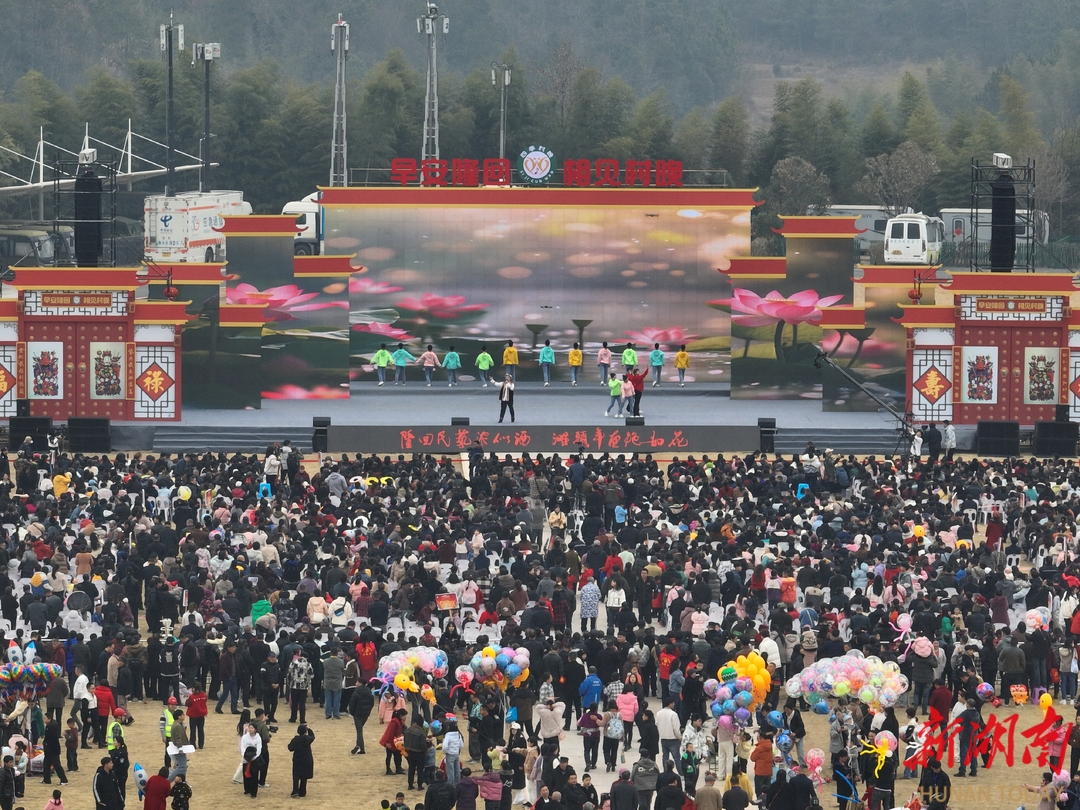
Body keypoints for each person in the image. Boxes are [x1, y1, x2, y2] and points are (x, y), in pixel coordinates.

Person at [287, 723, 315, 798]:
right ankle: (302, 791)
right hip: (307, 759)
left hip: (297, 759)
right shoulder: (307, 739)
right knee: (304, 775)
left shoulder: (295, 739)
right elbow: (313, 736)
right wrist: (309, 729)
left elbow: (290, 748)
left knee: (296, 775)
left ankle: (295, 790)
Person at [347, 681, 374, 755]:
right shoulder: (369, 692)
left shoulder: (356, 692)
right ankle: (360, 747)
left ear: (360, 683)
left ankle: (359, 746)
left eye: (357, 682)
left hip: (357, 714)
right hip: (365, 714)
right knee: (360, 729)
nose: (355, 683)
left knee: (359, 731)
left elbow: (352, 703)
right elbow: (372, 703)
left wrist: (352, 712)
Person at [41, 718, 68, 786]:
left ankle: (64, 780)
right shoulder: (53, 725)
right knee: (46, 764)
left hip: (52, 750)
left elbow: (51, 739)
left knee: (57, 765)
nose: (44, 720)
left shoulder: (51, 727)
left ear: (49, 719)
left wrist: (46, 743)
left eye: (45, 718)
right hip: (50, 750)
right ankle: (46, 779)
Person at [380, 709, 406, 775]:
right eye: (404, 716)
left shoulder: (398, 721)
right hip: (390, 741)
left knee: (397, 755)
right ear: (400, 716)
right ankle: (388, 769)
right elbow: (389, 733)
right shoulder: (394, 722)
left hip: (395, 741)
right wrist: (388, 742)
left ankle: (398, 768)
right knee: (389, 756)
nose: (405, 717)